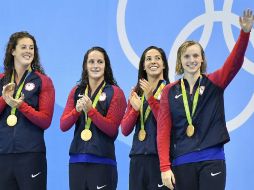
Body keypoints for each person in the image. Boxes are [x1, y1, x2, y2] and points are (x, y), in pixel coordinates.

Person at [157, 9, 254, 190]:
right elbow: (163, 132)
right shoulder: (169, 91)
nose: (191, 60)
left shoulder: (214, 82)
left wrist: (244, 33)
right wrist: (164, 167)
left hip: (212, 160)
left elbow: (235, 62)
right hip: (182, 161)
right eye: (186, 56)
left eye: (195, 56)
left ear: (202, 59)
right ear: (180, 61)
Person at [60, 46, 127, 190]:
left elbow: (112, 130)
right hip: (76, 162)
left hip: (103, 163)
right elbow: (63, 125)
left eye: (100, 62)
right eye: (91, 62)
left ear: (106, 65)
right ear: (85, 66)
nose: (95, 66)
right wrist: (76, 111)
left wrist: (91, 111)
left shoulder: (116, 93)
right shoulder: (76, 91)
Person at [0, 31, 55, 190]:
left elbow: (45, 120)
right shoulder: (2, 79)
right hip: (3, 155)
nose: (28, 51)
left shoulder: (43, 81)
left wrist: (21, 106)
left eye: (31, 48)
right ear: (13, 51)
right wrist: (5, 98)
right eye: (23, 47)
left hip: (31, 155)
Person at [121, 46, 170, 190]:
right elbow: (124, 129)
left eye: (157, 58)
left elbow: (166, 123)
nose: (153, 62)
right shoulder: (136, 92)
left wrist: (150, 98)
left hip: (160, 159)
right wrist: (134, 111)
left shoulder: (171, 90)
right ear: (143, 65)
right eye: (148, 59)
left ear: (164, 64)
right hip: (137, 159)